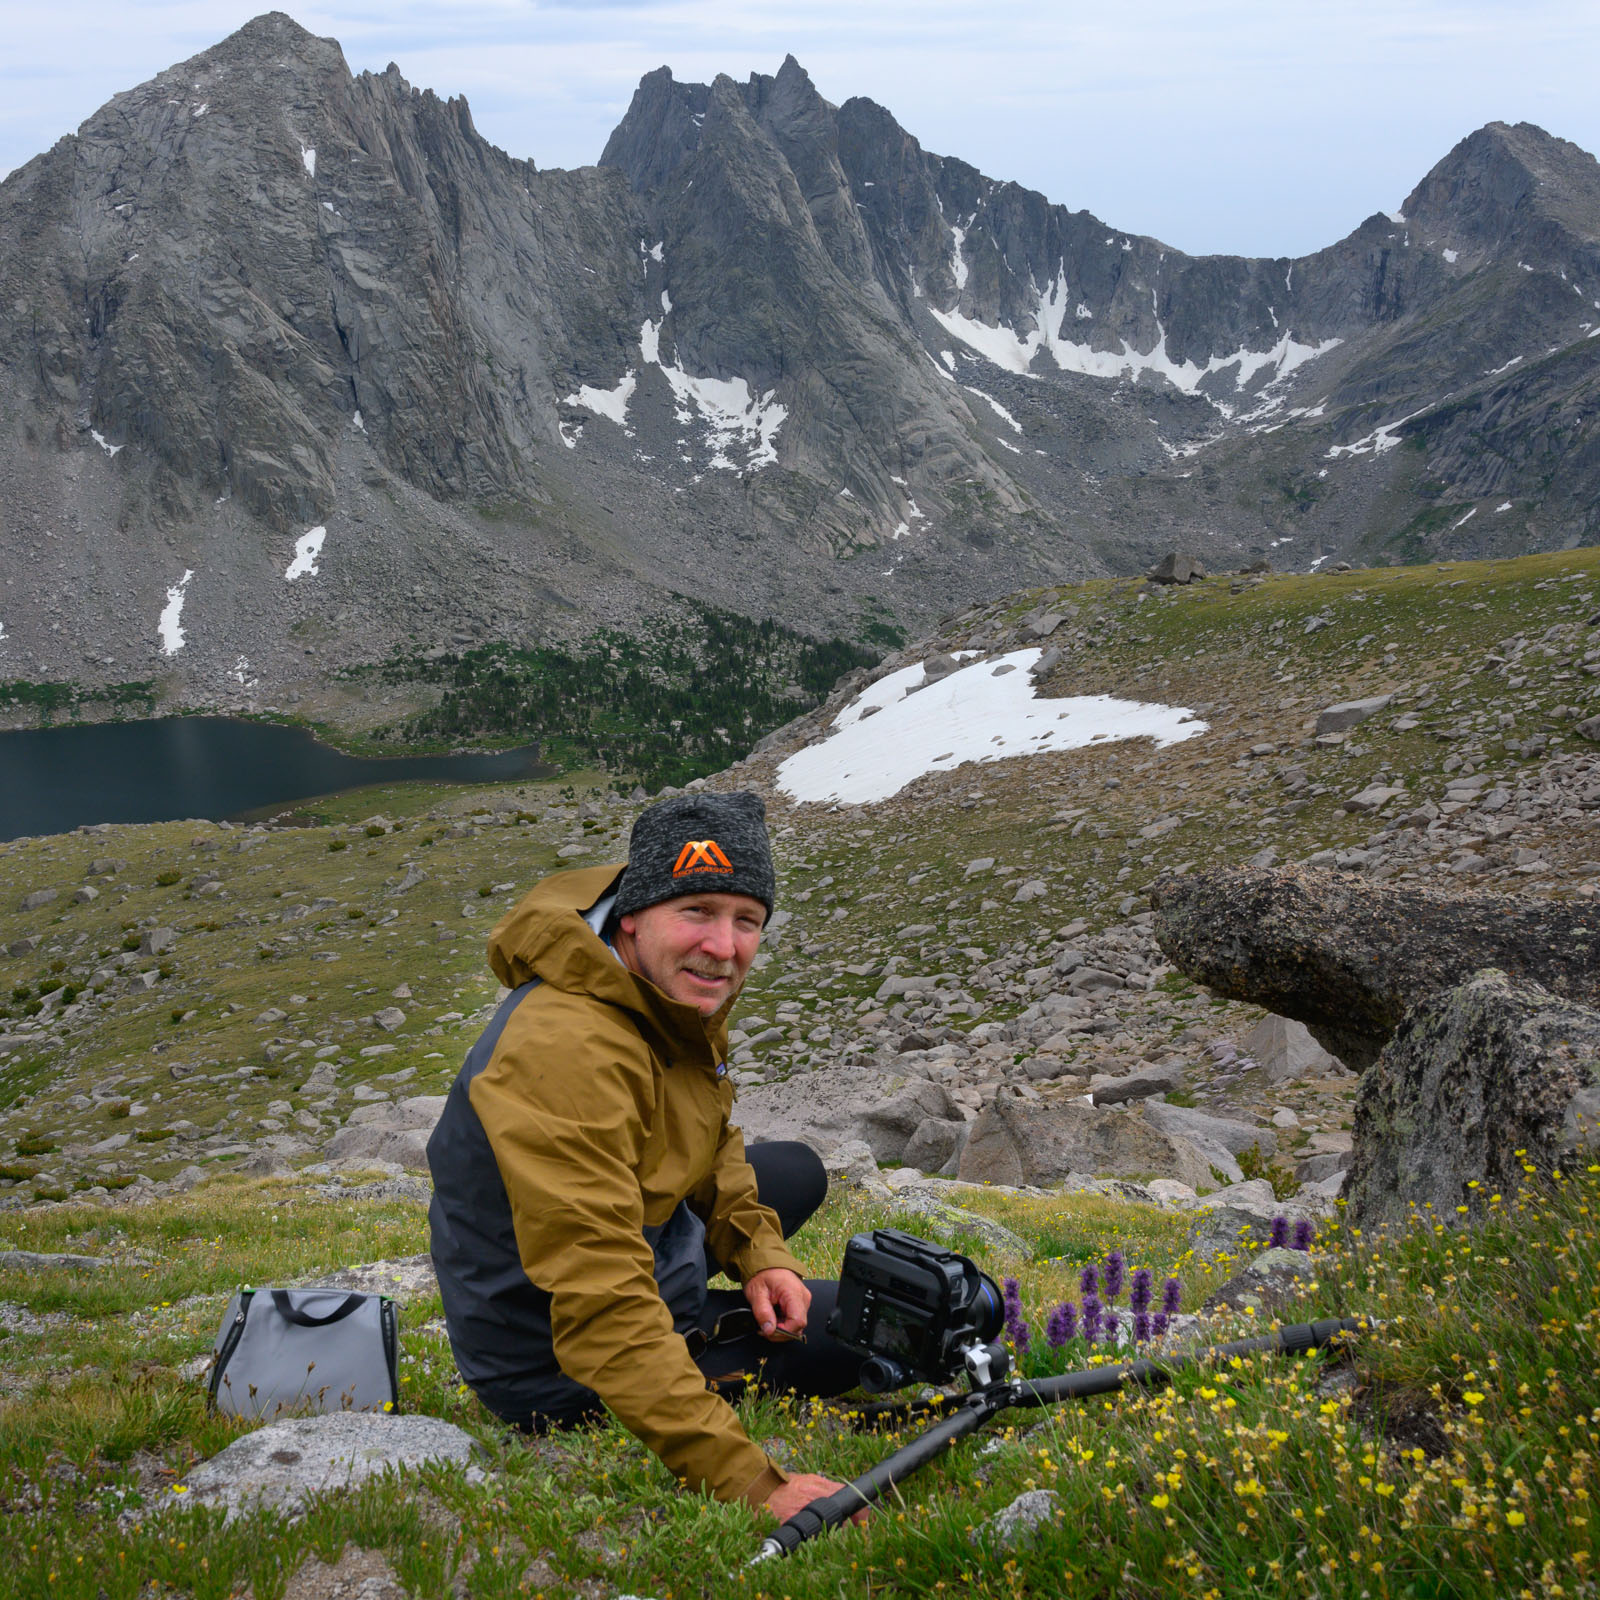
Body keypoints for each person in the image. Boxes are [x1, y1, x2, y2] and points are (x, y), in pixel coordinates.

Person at [427, 790, 862, 1520]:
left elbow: (704, 1128)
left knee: (794, 1172)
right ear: (633, 914)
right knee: (854, 1337)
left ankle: (719, 1290)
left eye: (745, 920)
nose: (723, 949)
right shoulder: (567, 1048)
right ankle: (691, 1339)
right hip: (549, 1357)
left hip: (631, 1245)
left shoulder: (651, 984)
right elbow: (599, 1300)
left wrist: (763, 1257)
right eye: (696, 912)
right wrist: (757, 1484)